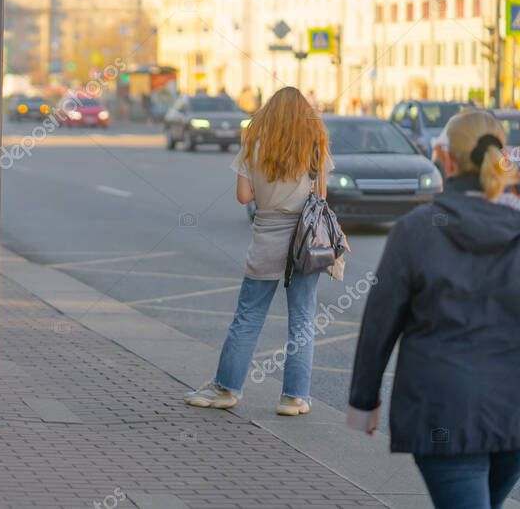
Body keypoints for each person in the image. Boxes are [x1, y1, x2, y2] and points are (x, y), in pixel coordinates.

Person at [348, 110, 520, 509]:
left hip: (444, 409)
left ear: (445, 158)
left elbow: (380, 320)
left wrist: (363, 402)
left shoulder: (416, 229)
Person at [184, 86, 336, 415]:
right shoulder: (315, 145)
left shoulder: (254, 144)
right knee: (302, 321)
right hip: (305, 244)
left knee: (248, 316)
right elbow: (321, 197)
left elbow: (243, 197)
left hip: (267, 238)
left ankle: (225, 389)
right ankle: (294, 398)